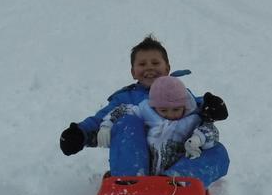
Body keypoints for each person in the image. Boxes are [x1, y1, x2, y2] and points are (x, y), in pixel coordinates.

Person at [58, 35, 229, 186]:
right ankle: (130, 181)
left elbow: (194, 108)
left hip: (176, 161)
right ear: (133, 72)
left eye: (155, 63)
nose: (149, 68)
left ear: (167, 68)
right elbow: (101, 120)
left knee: (218, 152)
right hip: (137, 163)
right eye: (142, 64)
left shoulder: (181, 92)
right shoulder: (125, 98)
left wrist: (209, 107)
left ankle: (176, 181)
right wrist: (80, 134)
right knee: (127, 121)